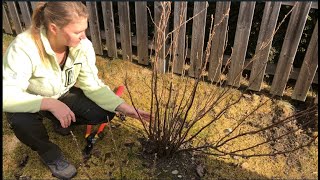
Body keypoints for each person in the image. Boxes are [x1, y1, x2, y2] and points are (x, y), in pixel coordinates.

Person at [3, 2, 150, 179]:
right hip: (30, 100)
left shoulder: (83, 46)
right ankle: (50, 154)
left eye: (84, 30)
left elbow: (92, 84)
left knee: (104, 112)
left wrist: (124, 107)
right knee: (21, 121)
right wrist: (49, 103)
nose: (83, 37)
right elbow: (7, 94)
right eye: (77, 32)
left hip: (61, 94)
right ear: (53, 28)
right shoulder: (24, 48)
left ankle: (62, 121)